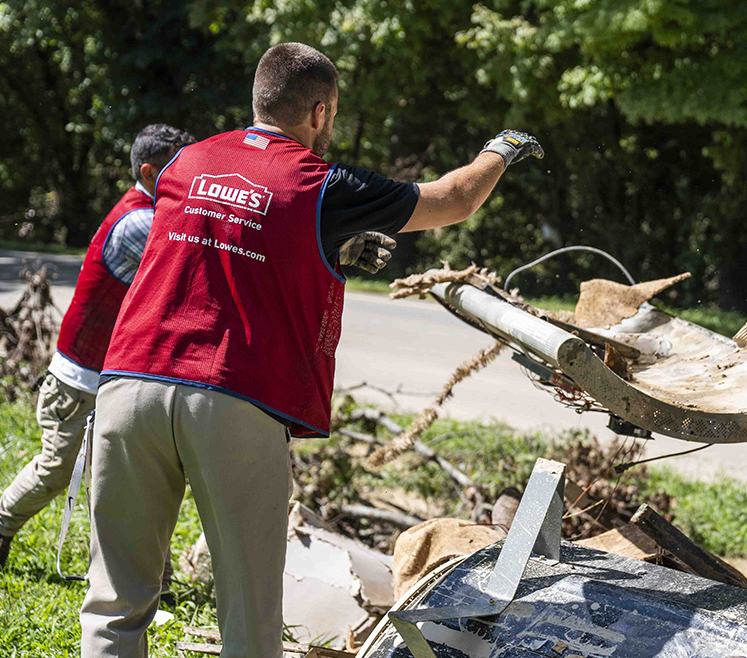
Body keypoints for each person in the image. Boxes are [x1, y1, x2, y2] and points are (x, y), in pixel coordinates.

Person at [80, 42, 543, 657]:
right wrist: (501, 148)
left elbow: (218, 243)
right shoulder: (324, 182)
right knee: (248, 616)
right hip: (229, 396)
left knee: (115, 606)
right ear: (321, 112)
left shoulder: (185, 163)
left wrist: (324, 251)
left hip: (127, 386)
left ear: (258, 99)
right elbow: (454, 199)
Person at [0, 124, 196, 584]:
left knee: (128, 481)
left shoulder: (155, 210)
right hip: (78, 382)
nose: (190, 175)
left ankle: (155, 577)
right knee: (56, 471)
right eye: (179, 165)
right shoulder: (141, 221)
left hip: (112, 380)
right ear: (150, 171)